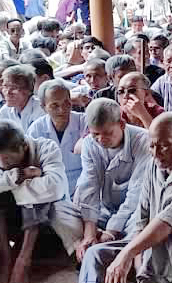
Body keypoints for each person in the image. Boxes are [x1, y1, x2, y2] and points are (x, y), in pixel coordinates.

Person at [78, 113, 172, 283]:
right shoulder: (155, 163)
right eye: (151, 146)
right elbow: (142, 218)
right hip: (154, 244)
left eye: (164, 146)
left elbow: (168, 223)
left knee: (159, 241)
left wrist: (129, 254)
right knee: (95, 255)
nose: (155, 153)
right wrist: (134, 257)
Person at [0, 120, 69, 283]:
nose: (2, 165)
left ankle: (24, 259)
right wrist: (21, 175)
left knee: (37, 197)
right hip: (13, 222)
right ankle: (7, 255)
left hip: (47, 225)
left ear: (23, 146)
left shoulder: (46, 148)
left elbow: (55, 188)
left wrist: (9, 184)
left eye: (8, 159)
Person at [64, 98, 150, 260]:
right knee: (62, 210)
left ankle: (117, 253)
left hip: (133, 211)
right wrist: (89, 232)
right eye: (95, 134)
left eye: (107, 133)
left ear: (122, 124)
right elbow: (89, 186)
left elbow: (137, 193)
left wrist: (111, 230)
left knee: (144, 222)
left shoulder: (143, 141)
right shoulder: (89, 144)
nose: (101, 140)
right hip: (103, 211)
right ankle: (90, 245)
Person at [26, 80, 86, 197]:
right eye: (55, 105)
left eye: (66, 103)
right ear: (43, 107)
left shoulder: (84, 122)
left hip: (82, 187)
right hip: (50, 190)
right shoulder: (36, 129)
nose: (62, 110)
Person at [0, 64, 46, 133]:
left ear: (29, 90)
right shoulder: (5, 111)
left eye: (14, 88)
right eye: (5, 86)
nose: (8, 92)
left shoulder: (40, 110)